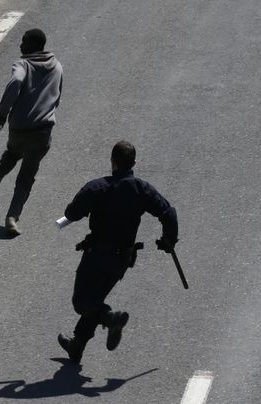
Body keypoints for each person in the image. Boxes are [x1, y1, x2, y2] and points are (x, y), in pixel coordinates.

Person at [57, 140, 179, 364]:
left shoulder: (97, 187)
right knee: (95, 298)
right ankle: (77, 345)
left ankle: (110, 317)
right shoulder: (142, 189)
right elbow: (168, 212)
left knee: (82, 301)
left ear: (112, 161)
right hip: (121, 260)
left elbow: (72, 213)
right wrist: (168, 239)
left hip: (96, 256)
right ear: (134, 163)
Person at [0, 28, 63, 236]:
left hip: (20, 127)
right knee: (26, 176)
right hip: (43, 132)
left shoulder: (22, 64)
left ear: (32, 45)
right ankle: (12, 217)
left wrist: (3, 112)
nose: (20, 46)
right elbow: (57, 97)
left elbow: (17, 81)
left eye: (24, 42)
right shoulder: (57, 67)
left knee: (11, 154)